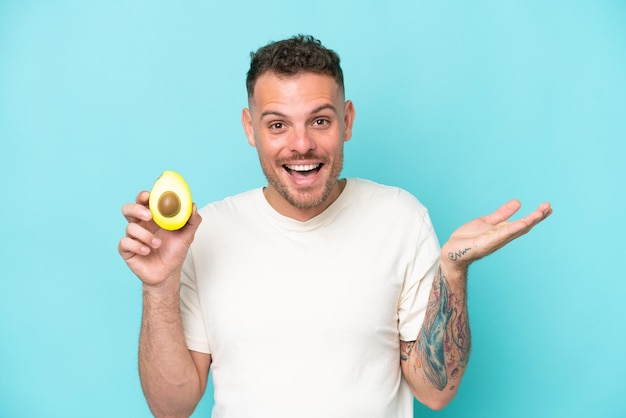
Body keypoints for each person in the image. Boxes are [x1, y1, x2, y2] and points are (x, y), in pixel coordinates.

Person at [118, 35, 552, 418]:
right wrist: (158, 286)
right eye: (277, 125)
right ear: (251, 129)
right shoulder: (206, 231)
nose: (301, 144)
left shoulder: (401, 217)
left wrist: (452, 272)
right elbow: (170, 409)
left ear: (347, 119)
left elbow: (435, 393)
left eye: (320, 121)